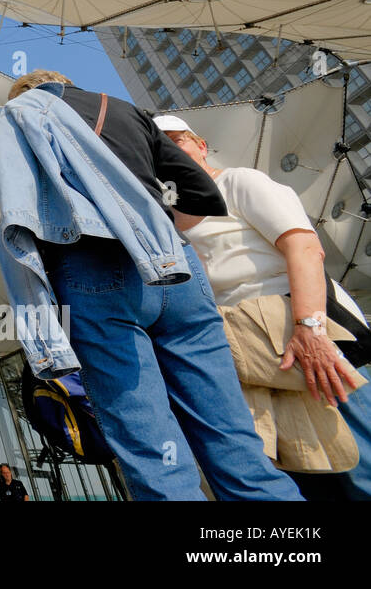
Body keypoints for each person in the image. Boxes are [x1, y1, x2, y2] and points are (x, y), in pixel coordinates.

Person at [0, 70, 301, 501]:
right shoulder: (128, 111)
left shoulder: (22, 110)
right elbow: (200, 191)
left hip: (95, 269)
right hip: (176, 269)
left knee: (155, 455)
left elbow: (20, 212)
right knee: (234, 440)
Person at [155, 114, 371, 499]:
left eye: (177, 140)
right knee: (314, 471)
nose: (168, 151)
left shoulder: (240, 182)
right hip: (248, 354)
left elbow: (304, 248)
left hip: (303, 330)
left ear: (201, 145)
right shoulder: (167, 222)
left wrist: (311, 329)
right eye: (158, 147)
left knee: (359, 458)